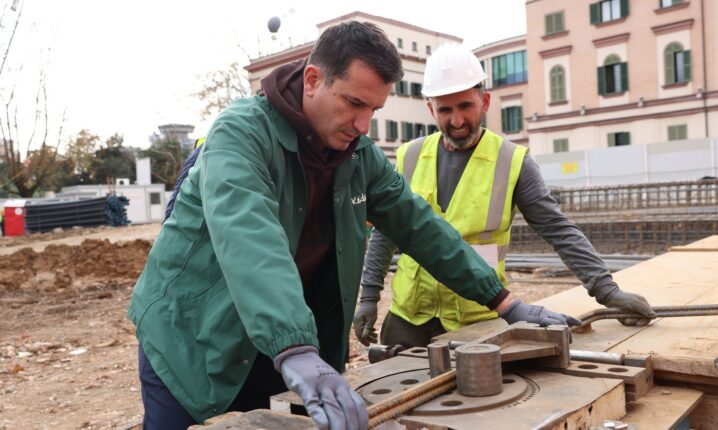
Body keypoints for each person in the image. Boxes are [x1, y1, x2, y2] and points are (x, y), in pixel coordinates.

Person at [128, 23, 578, 430]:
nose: (364, 125)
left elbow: (419, 225)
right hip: (192, 337)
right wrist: (296, 348)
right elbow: (249, 236)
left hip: (275, 341)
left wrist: (504, 301)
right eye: (354, 103)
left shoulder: (357, 154)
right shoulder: (240, 136)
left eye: (374, 109)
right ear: (312, 80)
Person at [353, 44, 656, 349]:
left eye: (465, 106)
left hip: (479, 317)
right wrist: (368, 296)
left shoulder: (512, 162)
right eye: (445, 110)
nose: (456, 121)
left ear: (484, 101)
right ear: (431, 109)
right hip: (410, 316)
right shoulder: (410, 156)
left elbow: (557, 229)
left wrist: (606, 290)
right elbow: (386, 231)